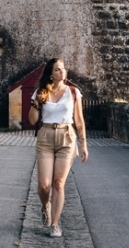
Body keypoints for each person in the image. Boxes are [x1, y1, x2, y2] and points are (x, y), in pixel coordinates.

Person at [28, 57, 89, 238]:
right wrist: (35, 104)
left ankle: (55, 224)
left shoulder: (73, 91)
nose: (61, 72)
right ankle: (45, 205)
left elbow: (79, 120)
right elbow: (32, 120)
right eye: (57, 70)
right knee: (44, 186)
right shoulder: (41, 92)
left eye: (63, 69)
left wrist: (84, 143)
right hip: (46, 136)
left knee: (58, 183)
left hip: (67, 136)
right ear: (51, 74)